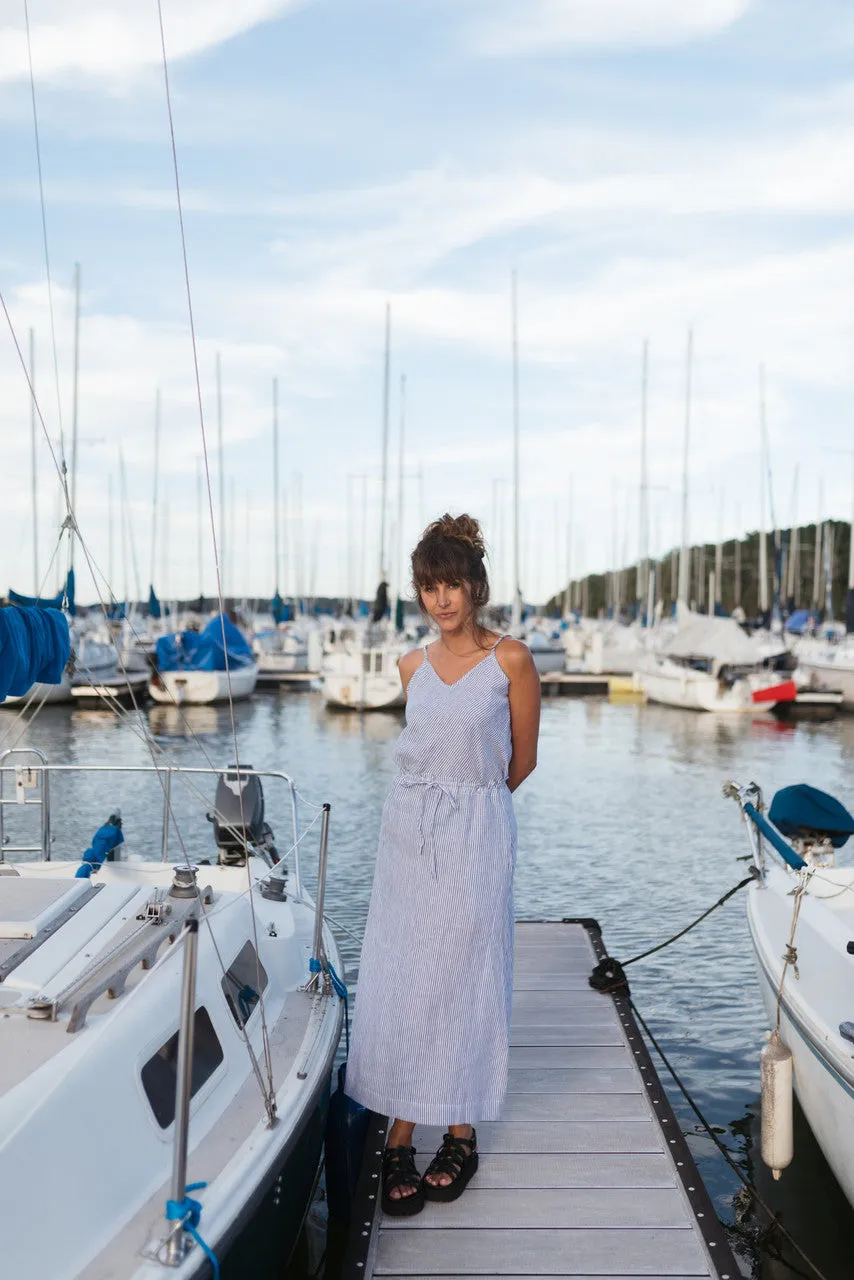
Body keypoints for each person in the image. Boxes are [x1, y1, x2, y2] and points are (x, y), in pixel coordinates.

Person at [345, 512, 540, 1216]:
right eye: (430, 587)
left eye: (453, 584)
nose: (442, 600)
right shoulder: (409, 667)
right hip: (405, 841)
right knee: (406, 980)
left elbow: (522, 761)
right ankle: (401, 1125)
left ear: (476, 586)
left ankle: (460, 1130)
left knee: (466, 976)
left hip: (476, 834)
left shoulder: (511, 661)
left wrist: (471, 812)